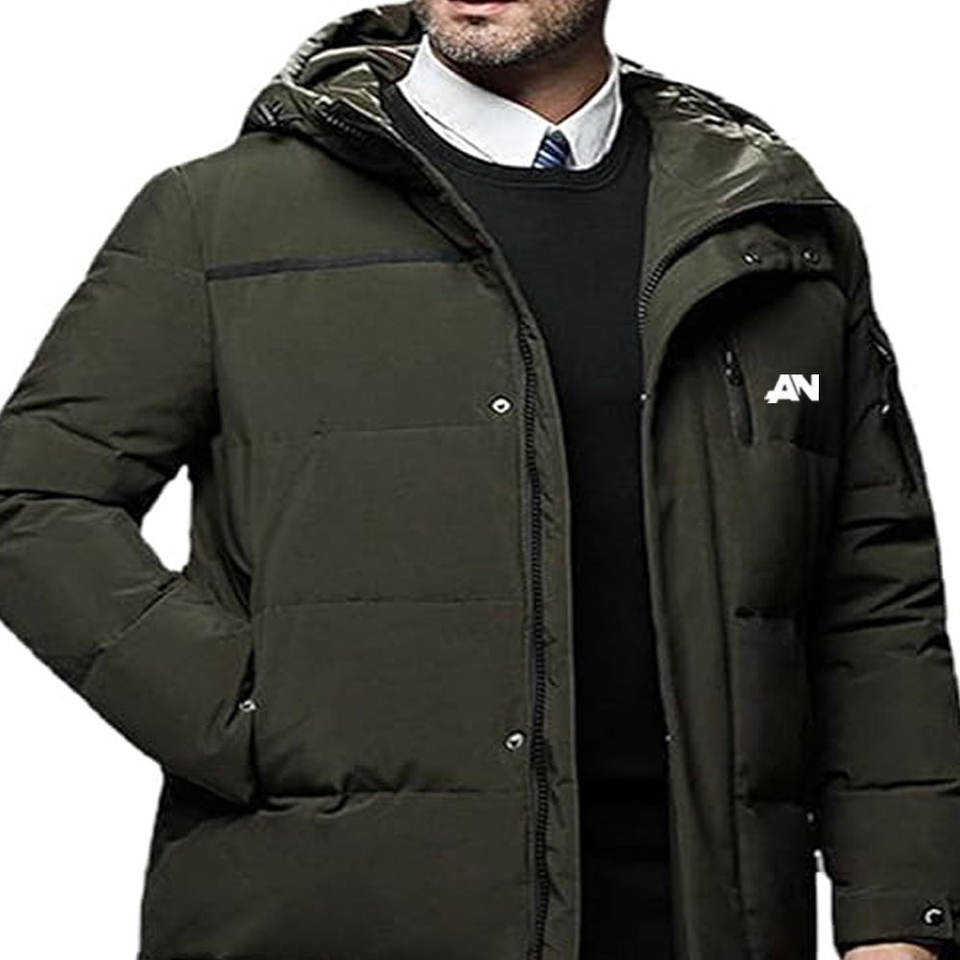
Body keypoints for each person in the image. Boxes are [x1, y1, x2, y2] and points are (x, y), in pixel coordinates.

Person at [0, 2, 957, 958]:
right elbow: (34, 497)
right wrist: (245, 714)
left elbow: (871, 591)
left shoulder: (767, 231)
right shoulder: (219, 218)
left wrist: (898, 915)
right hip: (329, 916)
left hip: (702, 921)